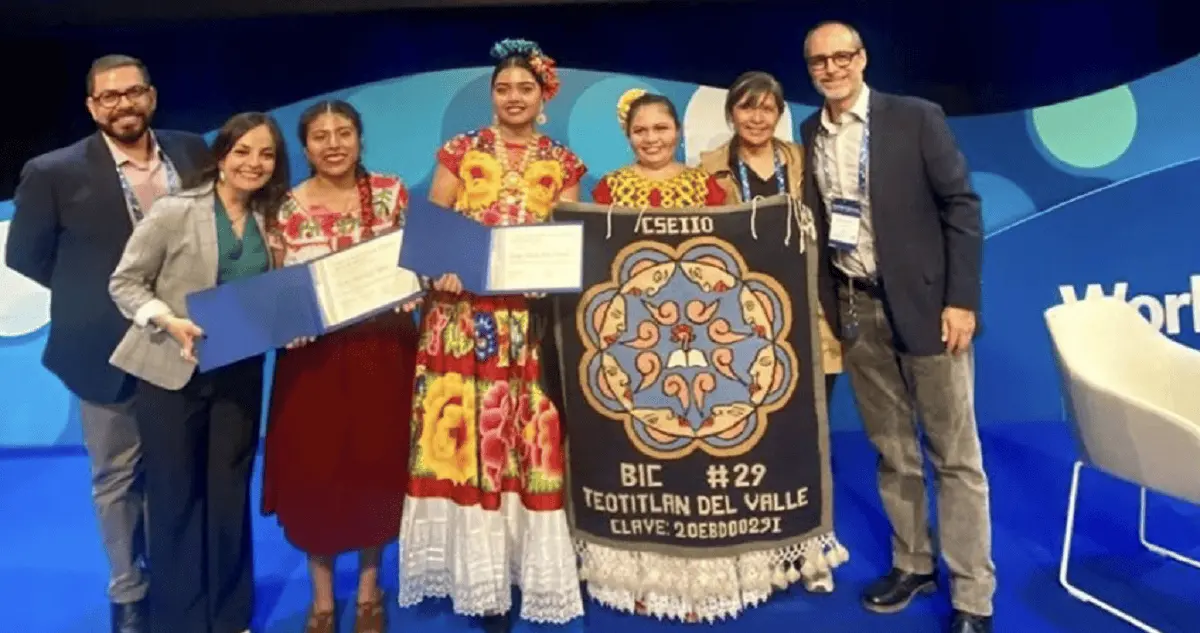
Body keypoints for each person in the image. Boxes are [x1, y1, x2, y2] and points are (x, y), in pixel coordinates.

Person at [4, 54, 210, 633]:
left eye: (133, 92)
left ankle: (179, 576)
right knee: (117, 476)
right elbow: (27, 255)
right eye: (109, 97)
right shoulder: (53, 171)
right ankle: (128, 592)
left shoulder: (193, 151)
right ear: (93, 107)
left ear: (151, 96)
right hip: (104, 348)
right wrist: (97, 297)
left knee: (180, 469)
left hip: (187, 343)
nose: (123, 104)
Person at [800, 21, 994, 633]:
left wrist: (960, 300)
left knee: (955, 459)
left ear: (862, 58)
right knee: (893, 452)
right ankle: (913, 563)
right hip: (857, 311)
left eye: (840, 57)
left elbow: (961, 206)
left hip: (930, 311)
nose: (831, 69)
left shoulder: (915, 117)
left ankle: (972, 596)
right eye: (818, 62)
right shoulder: (810, 132)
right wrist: (834, 308)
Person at [396, 38, 586, 633]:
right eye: (503, 88)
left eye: (524, 88)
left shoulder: (563, 162)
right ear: (492, 95)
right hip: (461, 322)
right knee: (467, 438)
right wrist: (443, 265)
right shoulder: (460, 151)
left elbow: (567, 243)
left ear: (543, 94)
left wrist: (547, 280)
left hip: (528, 328)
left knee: (526, 443)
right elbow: (436, 231)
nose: (513, 97)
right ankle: (477, 578)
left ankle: (526, 568)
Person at [108, 112, 290, 633]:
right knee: (174, 495)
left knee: (229, 493)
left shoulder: (271, 218)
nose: (253, 163)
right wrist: (166, 319)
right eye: (243, 151)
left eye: (266, 155)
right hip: (171, 372)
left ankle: (231, 616)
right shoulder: (175, 211)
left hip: (239, 372)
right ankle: (181, 619)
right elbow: (125, 283)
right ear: (221, 155)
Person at [261, 99, 416, 633]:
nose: (334, 144)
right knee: (317, 473)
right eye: (321, 136)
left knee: (377, 465)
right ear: (304, 147)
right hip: (312, 364)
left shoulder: (392, 193)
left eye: (344, 132)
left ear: (359, 138)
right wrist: (286, 320)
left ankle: (371, 591)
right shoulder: (281, 206)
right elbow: (273, 284)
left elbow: (416, 264)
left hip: (383, 355)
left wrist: (410, 290)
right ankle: (323, 600)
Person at [592, 91, 725, 208]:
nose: (651, 139)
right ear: (628, 135)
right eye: (640, 131)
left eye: (661, 128)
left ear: (678, 131)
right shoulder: (612, 186)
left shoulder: (703, 184)